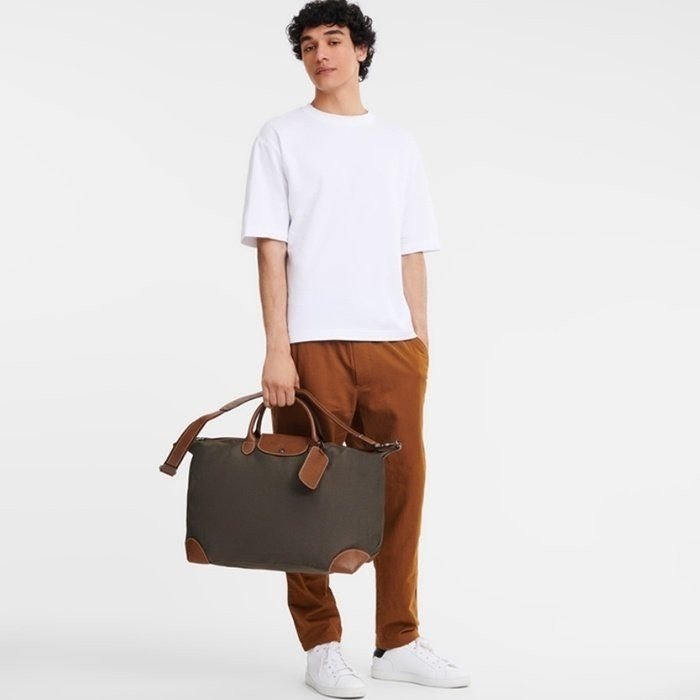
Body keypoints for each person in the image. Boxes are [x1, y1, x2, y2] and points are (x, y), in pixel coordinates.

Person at [240, 1, 470, 696]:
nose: (321, 54)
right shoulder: (281, 137)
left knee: (402, 491)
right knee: (304, 492)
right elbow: (271, 249)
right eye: (308, 45)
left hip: (393, 345)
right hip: (311, 344)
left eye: (334, 40)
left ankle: (398, 640)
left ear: (362, 50)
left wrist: (420, 339)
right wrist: (277, 348)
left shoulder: (398, 143)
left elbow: (411, 247)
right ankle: (321, 644)